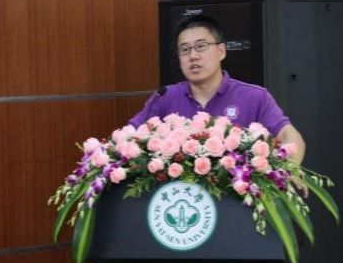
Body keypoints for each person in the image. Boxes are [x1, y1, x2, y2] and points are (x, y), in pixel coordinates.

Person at [130, 14, 306, 163]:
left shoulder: (255, 97)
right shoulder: (165, 97)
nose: (193, 56)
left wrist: (289, 173)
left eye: (201, 46)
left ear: (221, 51)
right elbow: (129, 137)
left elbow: (288, 136)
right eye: (185, 49)